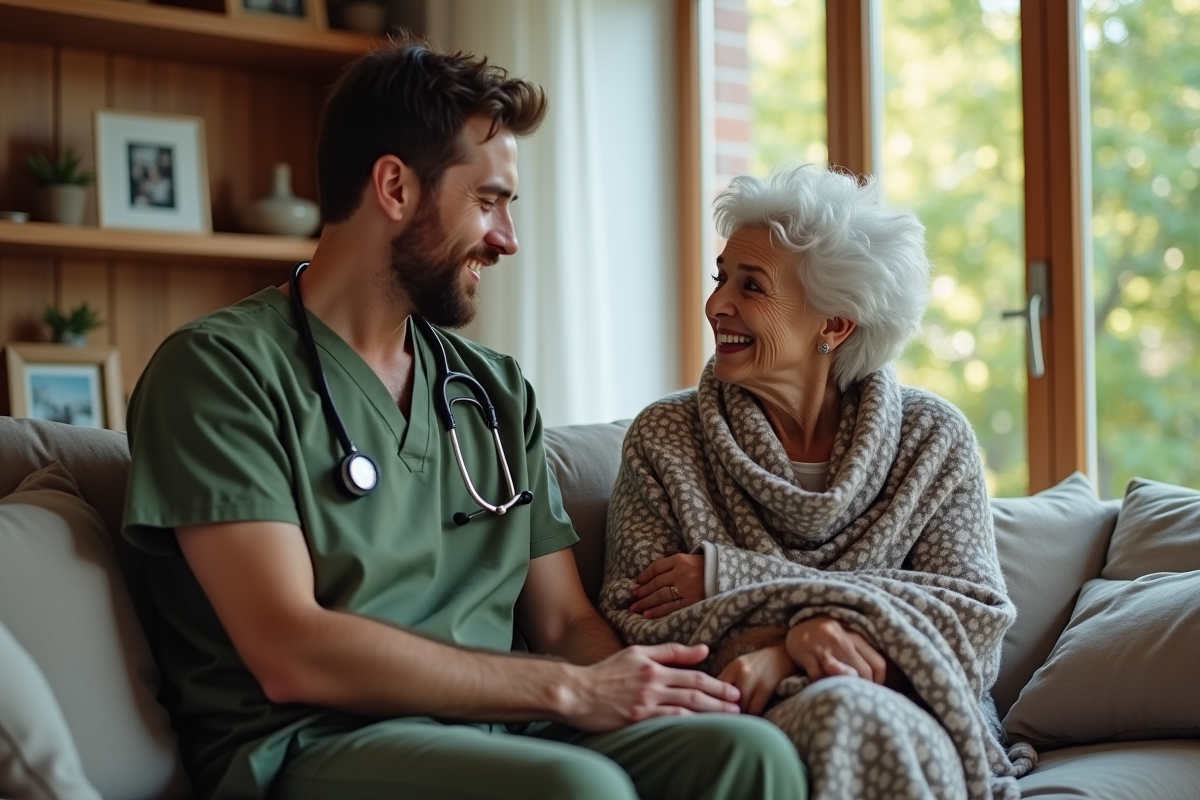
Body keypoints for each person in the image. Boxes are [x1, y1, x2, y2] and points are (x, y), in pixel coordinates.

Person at [122, 37, 806, 800]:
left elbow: (561, 622)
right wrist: (567, 694)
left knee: (749, 755)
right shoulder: (220, 372)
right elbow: (291, 649)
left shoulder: (493, 389)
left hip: (509, 733)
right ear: (394, 186)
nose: (508, 239)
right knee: (576, 790)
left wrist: (638, 684)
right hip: (316, 743)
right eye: (488, 202)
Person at [600, 164, 1037, 800]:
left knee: (851, 710)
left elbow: (971, 621)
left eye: (752, 287)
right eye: (723, 277)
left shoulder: (933, 439)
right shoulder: (666, 438)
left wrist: (747, 591)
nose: (716, 303)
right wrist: (798, 637)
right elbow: (634, 619)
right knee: (841, 712)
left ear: (833, 325)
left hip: (911, 702)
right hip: (744, 713)